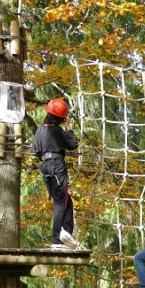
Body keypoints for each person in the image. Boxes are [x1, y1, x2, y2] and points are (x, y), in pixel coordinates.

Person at [31, 98, 80, 249]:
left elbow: (35, 151)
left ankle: (66, 234)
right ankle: (57, 240)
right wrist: (69, 129)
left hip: (45, 167)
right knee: (60, 202)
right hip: (57, 166)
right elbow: (73, 144)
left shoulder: (40, 130)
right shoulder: (56, 130)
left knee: (66, 201)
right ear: (61, 118)